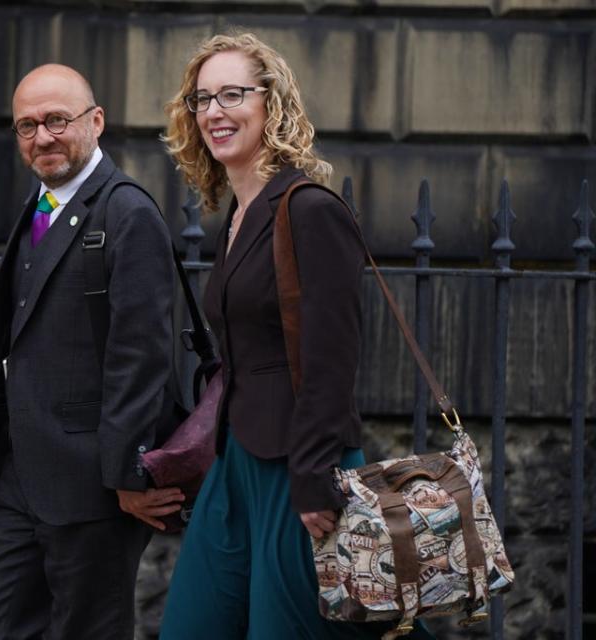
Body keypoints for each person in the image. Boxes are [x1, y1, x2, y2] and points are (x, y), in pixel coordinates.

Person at [158, 34, 434, 639]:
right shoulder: (237, 214)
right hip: (235, 464)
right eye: (202, 98)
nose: (214, 111)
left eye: (233, 94)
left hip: (298, 468)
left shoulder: (311, 211)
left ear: (272, 103)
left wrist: (314, 476)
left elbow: (332, 358)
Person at [0, 63, 184, 640]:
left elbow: (143, 355)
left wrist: (129, 471)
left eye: (57, 120)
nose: (42, 137)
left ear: (96, 121)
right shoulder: (39, 205)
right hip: (21, 476)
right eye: (27, 126)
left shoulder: (128, 212)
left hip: (95, 486)